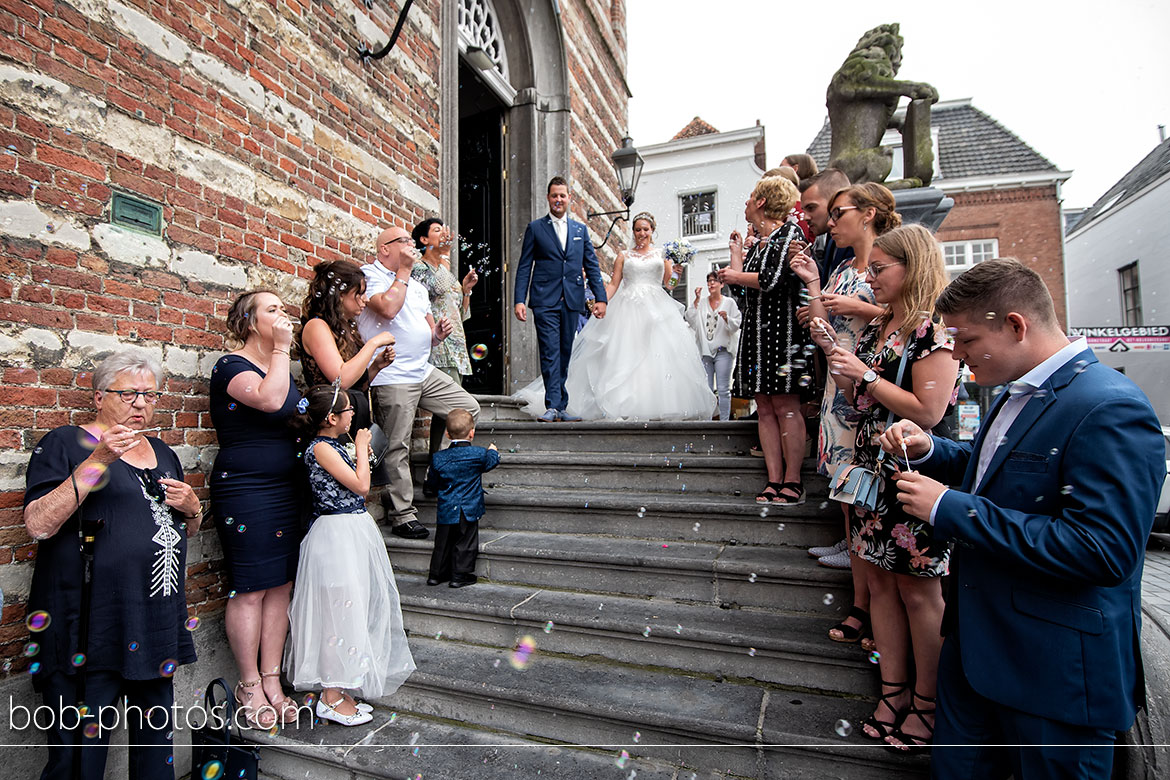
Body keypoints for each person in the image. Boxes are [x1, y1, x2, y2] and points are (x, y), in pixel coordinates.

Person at [881, 258, 1163, 771]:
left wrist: (950, 508)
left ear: (1015, 325)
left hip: (1051, 675)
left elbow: (1103, 550)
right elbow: (997, 472)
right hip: (976, 654)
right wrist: (930, 450)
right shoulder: (1017, 389)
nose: (959, 358)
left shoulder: (1109, 406)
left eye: (965, 341)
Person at [809, 224, 960, 750]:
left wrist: (867, 379)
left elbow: (930, 412)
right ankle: (893, 692)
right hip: (872, 471)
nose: (869, 280)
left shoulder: (932, 331)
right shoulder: (883, 328)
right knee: (878, 586)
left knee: (919, 592)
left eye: (879, 270)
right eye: (870, 270)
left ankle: (929, 703)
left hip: (914, 475)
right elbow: (865, 399)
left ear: (912, 267)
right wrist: (847, 369)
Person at [23, 348, 202, 777]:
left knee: (155, 749)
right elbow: (38, 524)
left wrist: (194, 508)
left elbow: (184, 531)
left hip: (154, 620)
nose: (142, 403)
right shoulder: (66, 442)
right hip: (89, 623)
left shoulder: (162, 451)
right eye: (129, 394)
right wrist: (99, 461)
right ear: (99, 396)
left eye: (151, 395)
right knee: (79, 757)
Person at [790, 184, 890, 654]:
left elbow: (911, 315)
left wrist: (859, 307)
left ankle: (869, 605)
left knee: (868, 499)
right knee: (850, 496)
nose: (831, 224)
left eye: (838, 214)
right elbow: (823, 323)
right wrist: (813, 287)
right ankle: (861, 591)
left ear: (868, 214)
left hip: (871, 385)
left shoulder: (891, 262)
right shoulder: (846, 267)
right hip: (839, 379)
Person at [285, 385, 415, 727]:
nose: (353, 415)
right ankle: (329, 697)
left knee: (353, 609)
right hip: (334, 537)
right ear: (331, 418)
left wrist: (361, 451)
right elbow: (360, 486)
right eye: (347, 411)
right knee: (336, 616)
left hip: (353, 531)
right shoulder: (321, 449)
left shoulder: (334, 445)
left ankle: (342, 688)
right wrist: (360, 448)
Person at [514, 212, 715, 421]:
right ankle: (625, 404)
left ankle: (653, 404)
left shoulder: (661, 255)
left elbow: (669, 285)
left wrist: (677, 272)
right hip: (628, 310)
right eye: (638, 229)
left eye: (646, 229)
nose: (642, 233)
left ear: (652, 231)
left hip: (657, 310)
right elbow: (613, 284)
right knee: (627, 356)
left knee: (657, 355)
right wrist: (601, 302)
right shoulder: (623, 256)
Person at [210, 290, 304, 728]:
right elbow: (268, 400)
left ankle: (272, 678)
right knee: (250, 586)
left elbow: (297, 412)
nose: (283, 316)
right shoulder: (231, 366)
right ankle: (248, 682)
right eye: (273, 309)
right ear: (249, 322)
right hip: (247, 489)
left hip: (288, 488)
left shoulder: (282, 367)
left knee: (280, 584)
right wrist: (283, 348)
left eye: (283, 309)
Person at [357, 225, 480, 540]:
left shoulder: (417, 287)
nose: (411, 246)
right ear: (385, 248)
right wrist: (405, 269)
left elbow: (429, 332)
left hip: (422, 370)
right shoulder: (368, 275)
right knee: (397, 445)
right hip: (391, 373)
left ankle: (440, 470)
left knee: (468, 408)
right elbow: (387, 307)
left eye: (411, 243)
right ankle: (402, 515)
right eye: (404, 242)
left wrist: (437, 334)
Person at [718, 175, 810, 505]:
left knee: (787, 407)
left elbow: (771, 280)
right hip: (757, 335)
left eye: (749, 197)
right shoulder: (760, 243)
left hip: (784, 334)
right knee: (766, 408)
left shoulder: (789, 234)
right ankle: (773, 479)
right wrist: (736, 254)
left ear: (761, 203)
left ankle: (793, 480)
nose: (745, 203)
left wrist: (734, 275)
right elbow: (742, 292)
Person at [513, 176, 609, 422]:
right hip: (545, 299)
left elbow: (592, 266)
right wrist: (519, 299)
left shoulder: (580, 230)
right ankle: (552, 405)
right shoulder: (536, 228)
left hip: (572, 299)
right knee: (549, 351)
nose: (558, 199)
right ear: (548, 198)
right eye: (554, 195)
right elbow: (525, 266)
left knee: (565, 351)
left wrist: (601, 298)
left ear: (569, 198)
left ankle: (561, 405)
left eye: (562, 195)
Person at [298, 259, 396, 434]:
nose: (365, 300)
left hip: (352, 415)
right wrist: (373, 343)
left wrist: (376, 367)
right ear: (340, 295)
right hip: (331, 423)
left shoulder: (346, 328)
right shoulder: (316, 326)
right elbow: (341, 380)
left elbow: (358, 387)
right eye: (359, 293)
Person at [411, 218, 480, 451]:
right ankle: (442, 460)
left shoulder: (445, 270)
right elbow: (436, 289)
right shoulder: (418, 268)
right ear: (423, 239)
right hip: (439, 347)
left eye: (443, 230)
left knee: (447, 410)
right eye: (436, 230)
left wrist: (466, 290)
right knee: (449, 408)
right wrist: (446, 255)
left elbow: (460, 313)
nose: (443, 234)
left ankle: (439, 460)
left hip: (456, 346)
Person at [423, 408, 500, 588]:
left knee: (442, 543)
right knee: (465, 542)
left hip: (447, 507)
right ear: (472, 433)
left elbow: (433, 480)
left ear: (448, 434)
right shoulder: (479, 454)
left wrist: (431, 489)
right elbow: (491, 462)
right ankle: (459, 575)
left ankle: (435, 575)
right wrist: (493, 451)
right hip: (468, 507)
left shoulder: (438, 458)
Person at [686, 271, 742, 420]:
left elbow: (736, 324)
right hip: (705, 352)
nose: (711, 284)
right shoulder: (703, 303)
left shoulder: (729, 303)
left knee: (723, 389)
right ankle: (708, 420)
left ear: (722, 284)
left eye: (715, 281)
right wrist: (696, 300)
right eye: (709, 281)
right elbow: (691, 320)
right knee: (707, 389)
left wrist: (727, 318)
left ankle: (724, 421)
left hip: (723, 351)